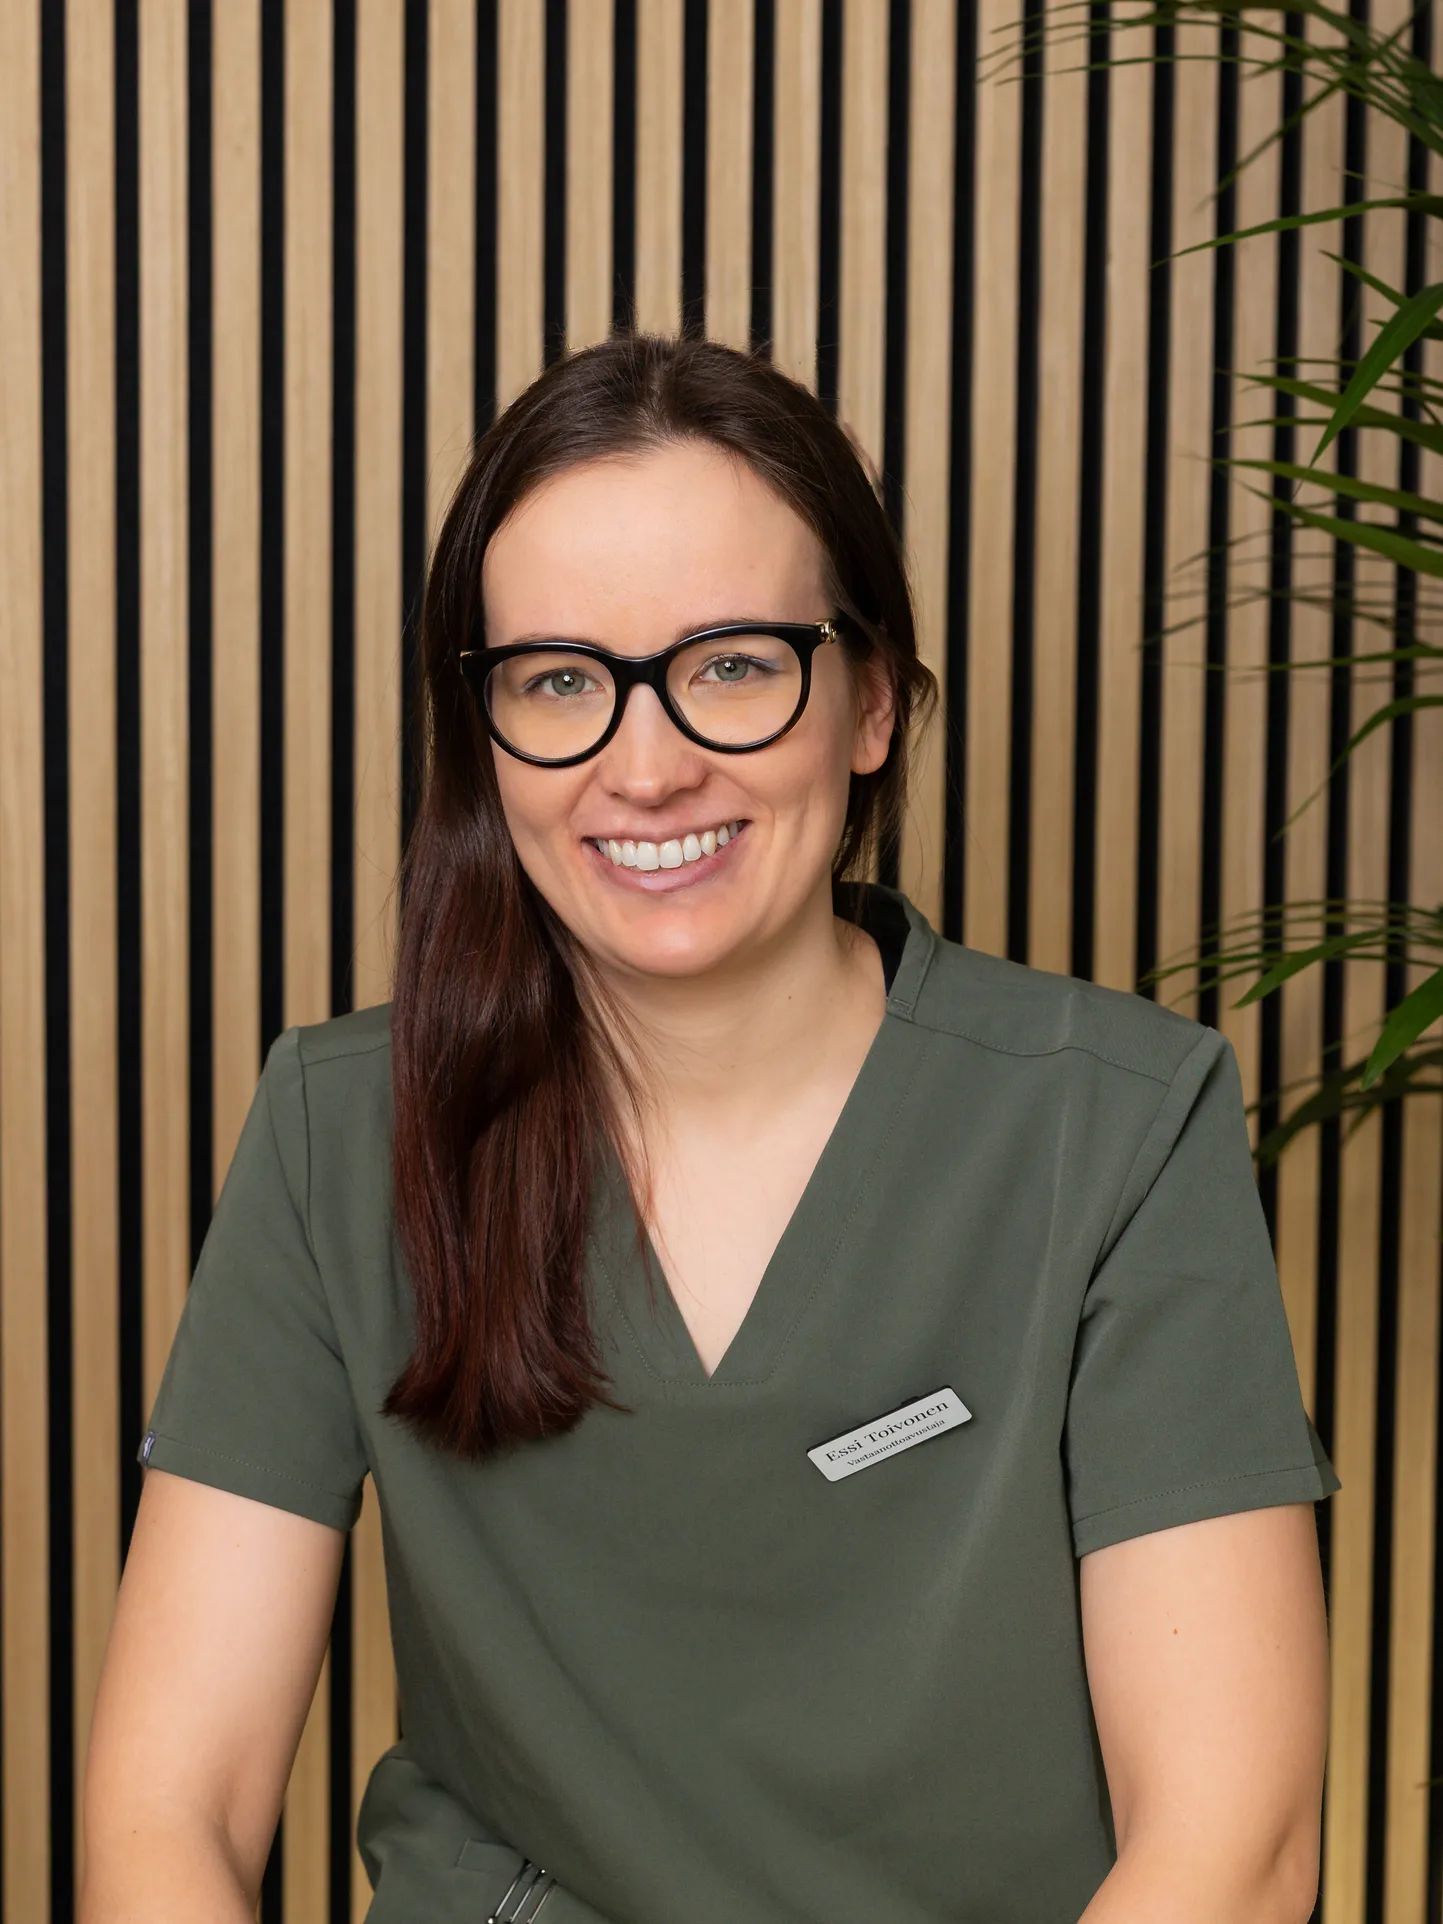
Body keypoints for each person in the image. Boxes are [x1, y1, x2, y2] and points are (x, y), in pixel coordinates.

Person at [80, 332, 1339, 1924]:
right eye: (559, 680)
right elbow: (169, 1810)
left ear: (870, 703)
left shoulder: (1118, 1124)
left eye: (732, 664)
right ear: (482, 734)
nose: (649, 765)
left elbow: (1234, 1847)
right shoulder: (341, 1130)